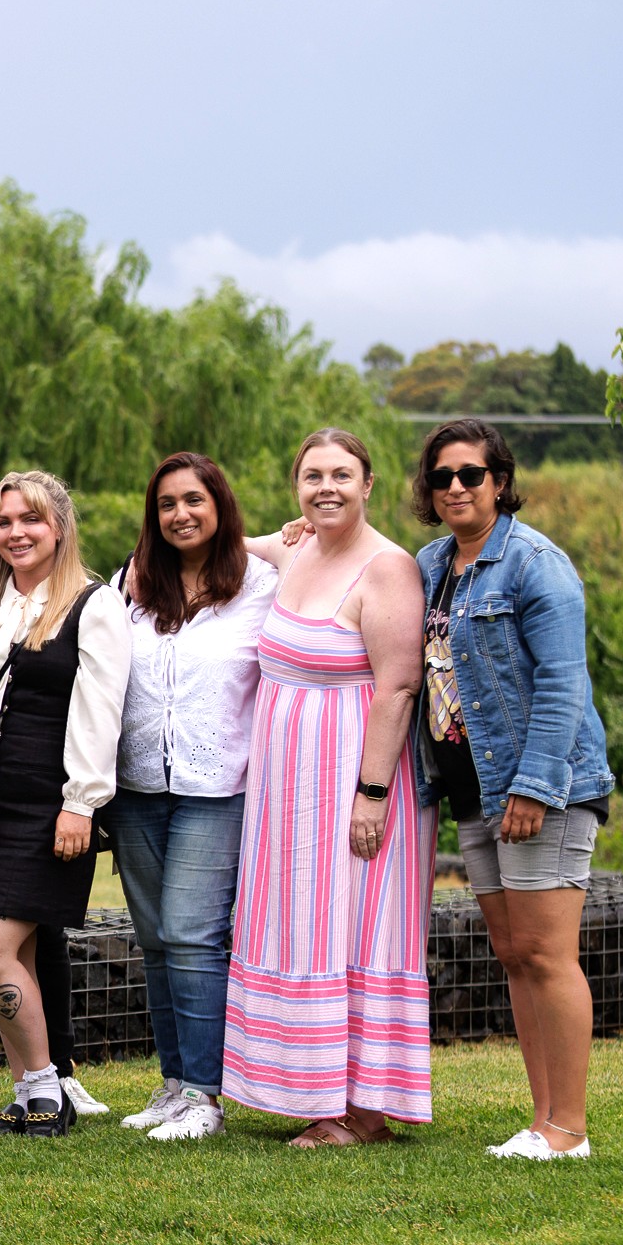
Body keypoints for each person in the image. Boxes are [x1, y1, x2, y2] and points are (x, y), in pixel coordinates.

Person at [222, 428, 436, 1145]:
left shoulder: (388, 568)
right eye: (313, 476)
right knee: (307, 927)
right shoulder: (295, 549)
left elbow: (399, 687)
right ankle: (314, 1091)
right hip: (288, 791)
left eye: (342, 475)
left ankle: (363, 1112)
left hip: (355, 781)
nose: (327, 488)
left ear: (368, 484)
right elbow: (220, 545)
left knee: (357, 925)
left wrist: (371, 794)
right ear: (296, 487)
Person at [411, 418, 613, 1161]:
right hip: (474, 788)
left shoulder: (535, 563)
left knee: (547, 954)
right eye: (442, 477)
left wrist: (534, 786)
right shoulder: (432, 564)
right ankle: (542, 1119)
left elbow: (563, 684)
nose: (456, 487)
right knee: (514, 951)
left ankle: (568, 1128)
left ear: (499, 481)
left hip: (540, 788)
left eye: (471, 474)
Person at [0, 471, 132, 1139]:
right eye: (5, 520)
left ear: (59, 528)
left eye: (32, 520)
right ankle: (27, 1094)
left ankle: (49, 1087)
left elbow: (101, 713)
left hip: (48, 803)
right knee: (4, 956)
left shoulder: (93, 604)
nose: (16, 532)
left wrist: (82, 802)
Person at [108, 454, 297, 1141]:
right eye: (166, 504)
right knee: (157, 941)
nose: (180, 514)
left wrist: (276, 537)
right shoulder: (133, 584)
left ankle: (204, 1096)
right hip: (136, 787)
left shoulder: (262, 584)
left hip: (216, 787)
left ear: (220, 504)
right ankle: (173, 1084)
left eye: (194, 500)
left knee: (192, 935)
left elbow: (315, 552)